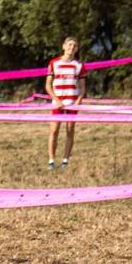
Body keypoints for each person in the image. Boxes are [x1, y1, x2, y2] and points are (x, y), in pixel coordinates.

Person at [46, 36, 85, 170]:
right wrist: (56, 100)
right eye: (69, 45)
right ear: (64, 46)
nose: (71, 48)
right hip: (57, 103)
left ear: (77, 49)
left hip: (72, 103)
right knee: (54, 130)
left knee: (70, 131)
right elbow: (48, 86)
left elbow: (82, 88)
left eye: (74, 46)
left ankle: (65, 161)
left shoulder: (79, 65)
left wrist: (78, 101)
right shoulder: (54, 63)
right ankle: (51, 161)